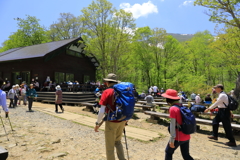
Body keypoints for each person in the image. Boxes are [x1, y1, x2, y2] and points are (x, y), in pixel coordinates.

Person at [94, 73, 126, 160]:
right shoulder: (122, 91)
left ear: (107, 82)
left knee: (109, 146)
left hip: (111, 121)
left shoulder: (107, 92)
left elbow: (101, 110)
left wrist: (97, 123)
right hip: (122, 120)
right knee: (118, 142)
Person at [161, 89, 194, 160]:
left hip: (178, 137)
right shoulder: (181, 106)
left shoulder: (173, 108)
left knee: (168, 152)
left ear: (168, 99)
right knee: (186, 155)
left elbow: (172, 125)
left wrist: (172, 140)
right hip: (186, 135)